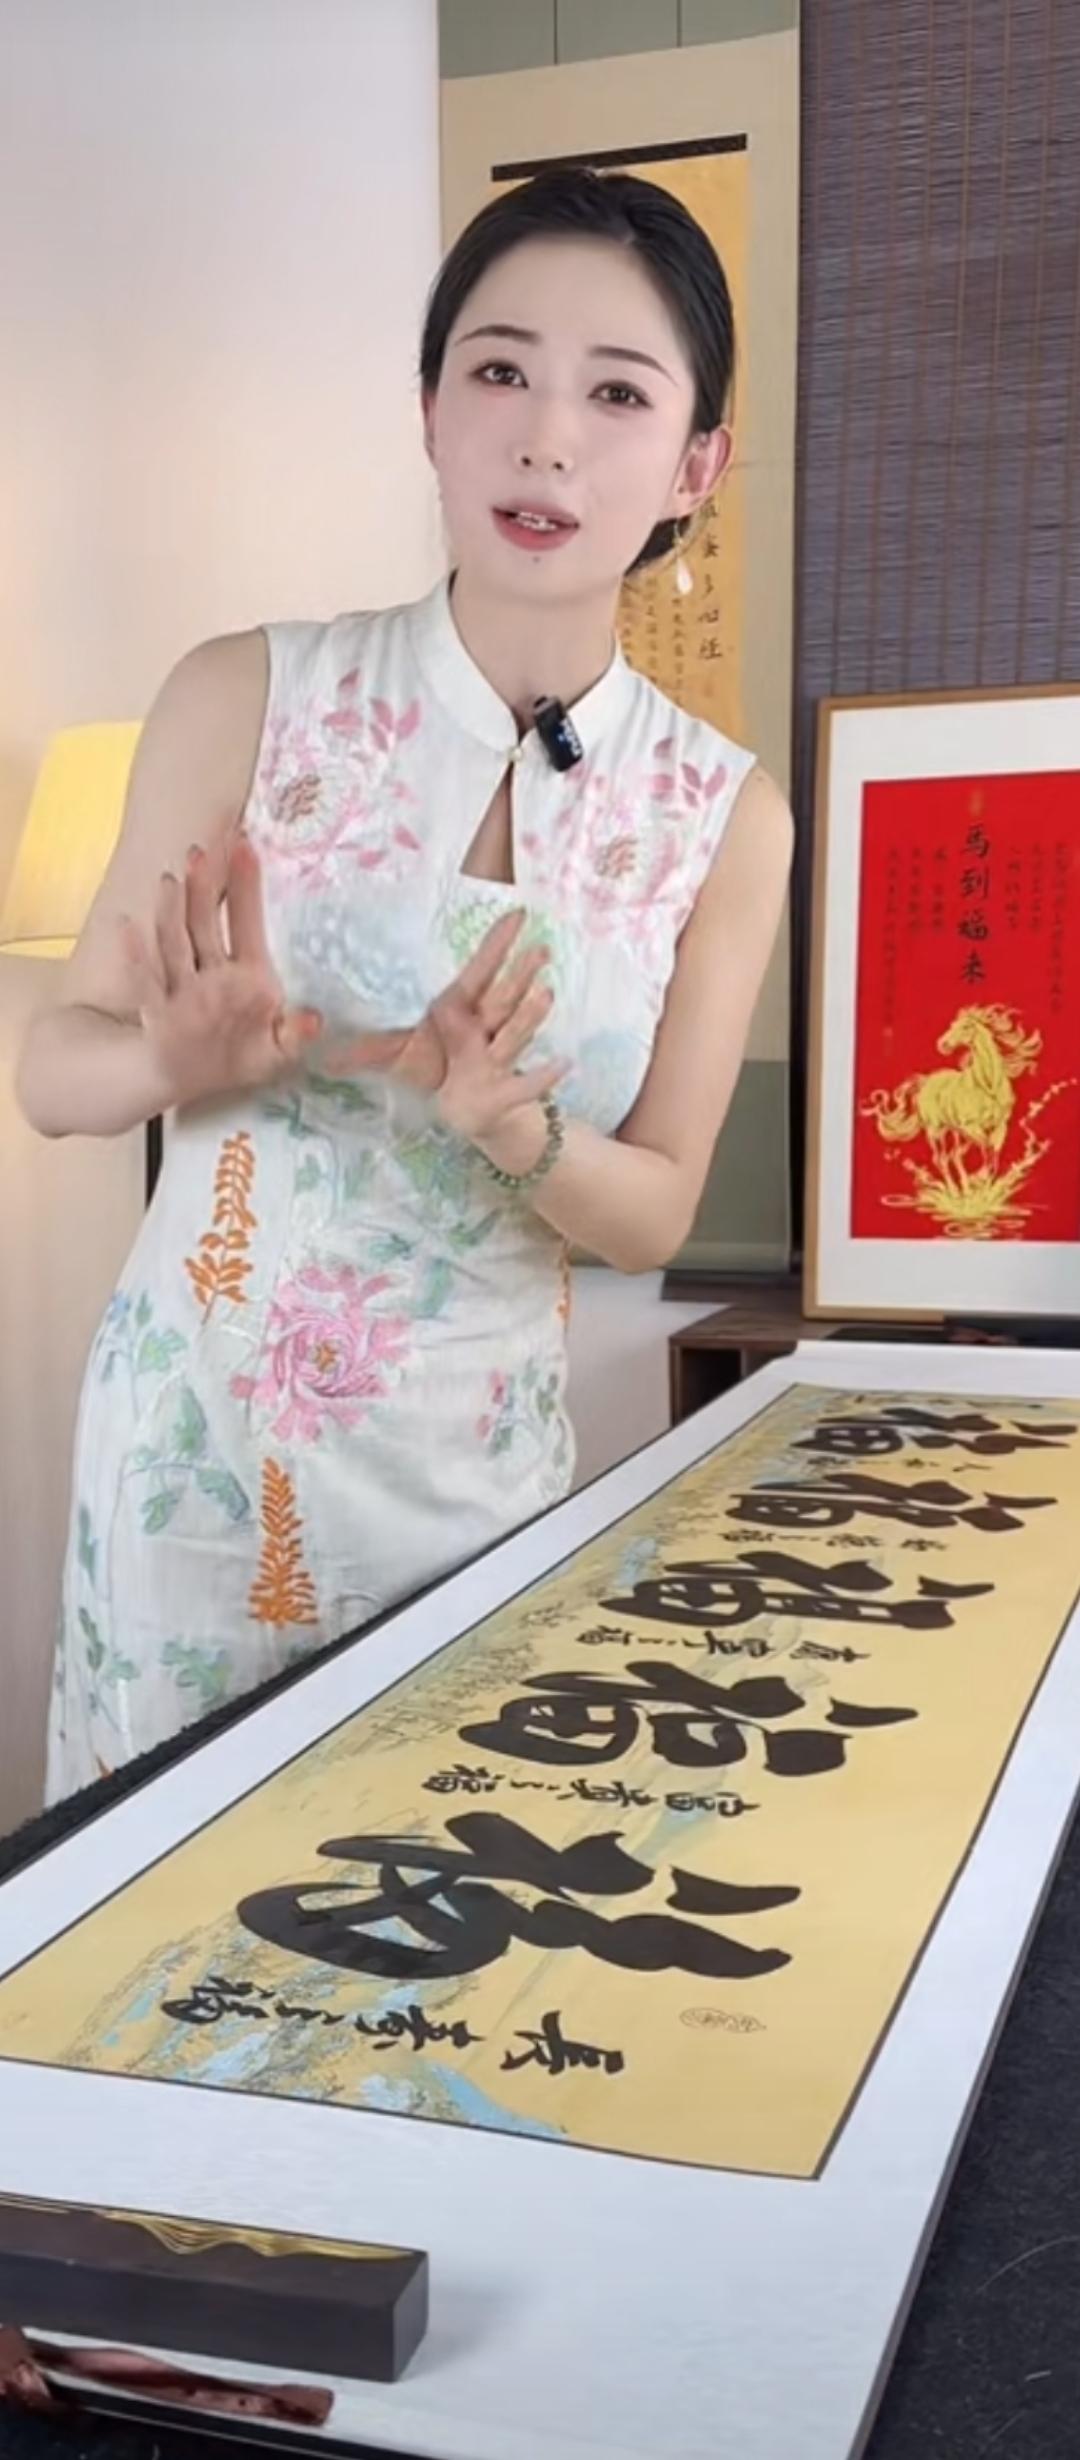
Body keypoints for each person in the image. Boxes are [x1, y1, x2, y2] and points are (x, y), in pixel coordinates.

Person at [18, 166, 793, 1804]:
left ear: (696, 466)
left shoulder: (724, 816)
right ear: (430, 409)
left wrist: (513, 1127)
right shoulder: (246, 690)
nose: (548, 439)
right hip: (192, 1485)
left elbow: (654, 1208)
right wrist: (171, 1057)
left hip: (475, 1498)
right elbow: (51, 1073)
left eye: (617, 394)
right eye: (500, 370)